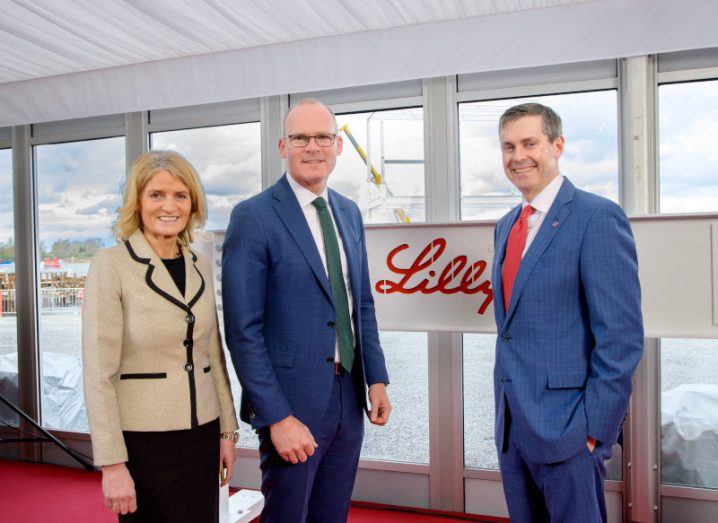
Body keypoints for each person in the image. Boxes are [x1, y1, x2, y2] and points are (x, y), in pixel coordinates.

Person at [222, 98, 392, 522]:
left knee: (331, 515)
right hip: (291, 406)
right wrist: (277, 417)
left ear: (337, 147)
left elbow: (361, 305)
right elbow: (243, 330)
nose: (312, 147)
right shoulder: (254, 216)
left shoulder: (349, 213)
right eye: (301, 138)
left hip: (347, 399)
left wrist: (377, 379)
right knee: (288, 516)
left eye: (323, 137)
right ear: (283, 146)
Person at [491, 103, 643, 522]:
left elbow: (621, 336)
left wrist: (596, 431)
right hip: (514, 427)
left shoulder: (597, 217)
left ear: (557, 145)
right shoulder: (506, 225)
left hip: (570, 430)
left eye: (529, 143)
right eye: (508, 146)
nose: (517, 156)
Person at [82, 150, 239, 522]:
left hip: (201, 435)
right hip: (143, 442)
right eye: (157, 195)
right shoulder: (110, 266)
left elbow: (212, 355)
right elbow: (97, 375)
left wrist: (227, 432)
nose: (169, 206)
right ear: (137, 202)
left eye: (180, 196)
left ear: (192, 203)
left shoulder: (198, 261)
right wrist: (112, 464)